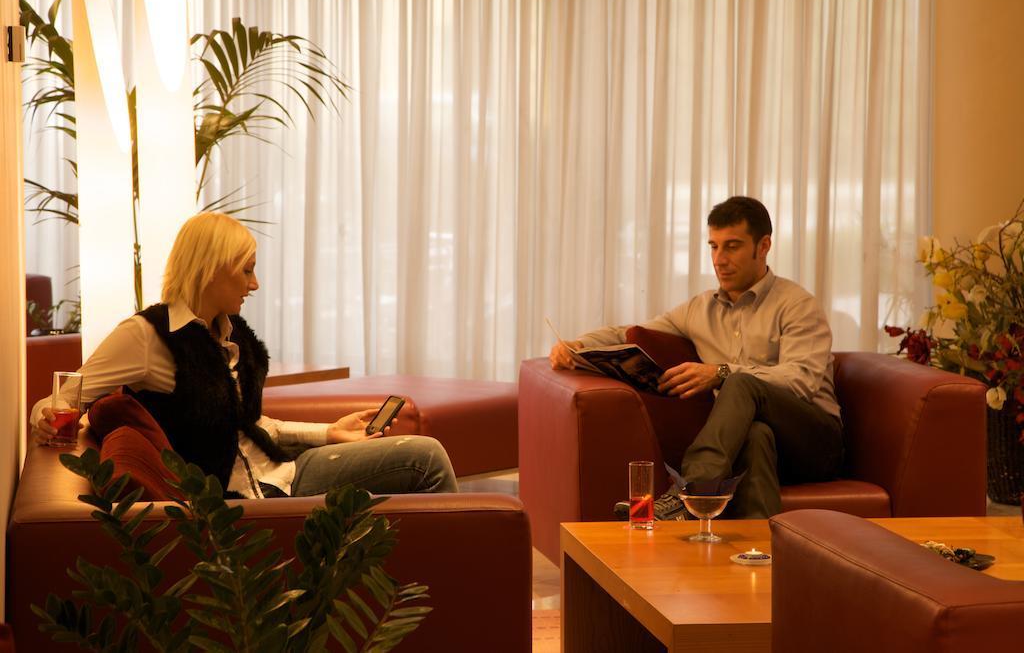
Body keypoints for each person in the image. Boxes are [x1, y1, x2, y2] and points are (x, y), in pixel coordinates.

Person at [31, 212, 458, 499]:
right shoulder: (146, 336)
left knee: (425, 456)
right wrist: (45, 417)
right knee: (426, 459)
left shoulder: (230, 335)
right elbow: (60, 399)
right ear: (211, 268)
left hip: (281, 471)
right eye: (247, 270)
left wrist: (329, 432)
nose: (254, 284)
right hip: (247, 497)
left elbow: (247, 426)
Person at [549, 196, 842, 519]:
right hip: (758, 445)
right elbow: (629, 332)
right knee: (756, 434)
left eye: (732, 247)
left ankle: (687, 493)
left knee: (739, 382)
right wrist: (577, 344)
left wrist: (720, 373)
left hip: (816, 443)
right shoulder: (699, 309)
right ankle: (759, 545)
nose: (719, 259)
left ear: (763, 246)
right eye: (713, 247)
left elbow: (802, 381)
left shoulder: (797, 305)